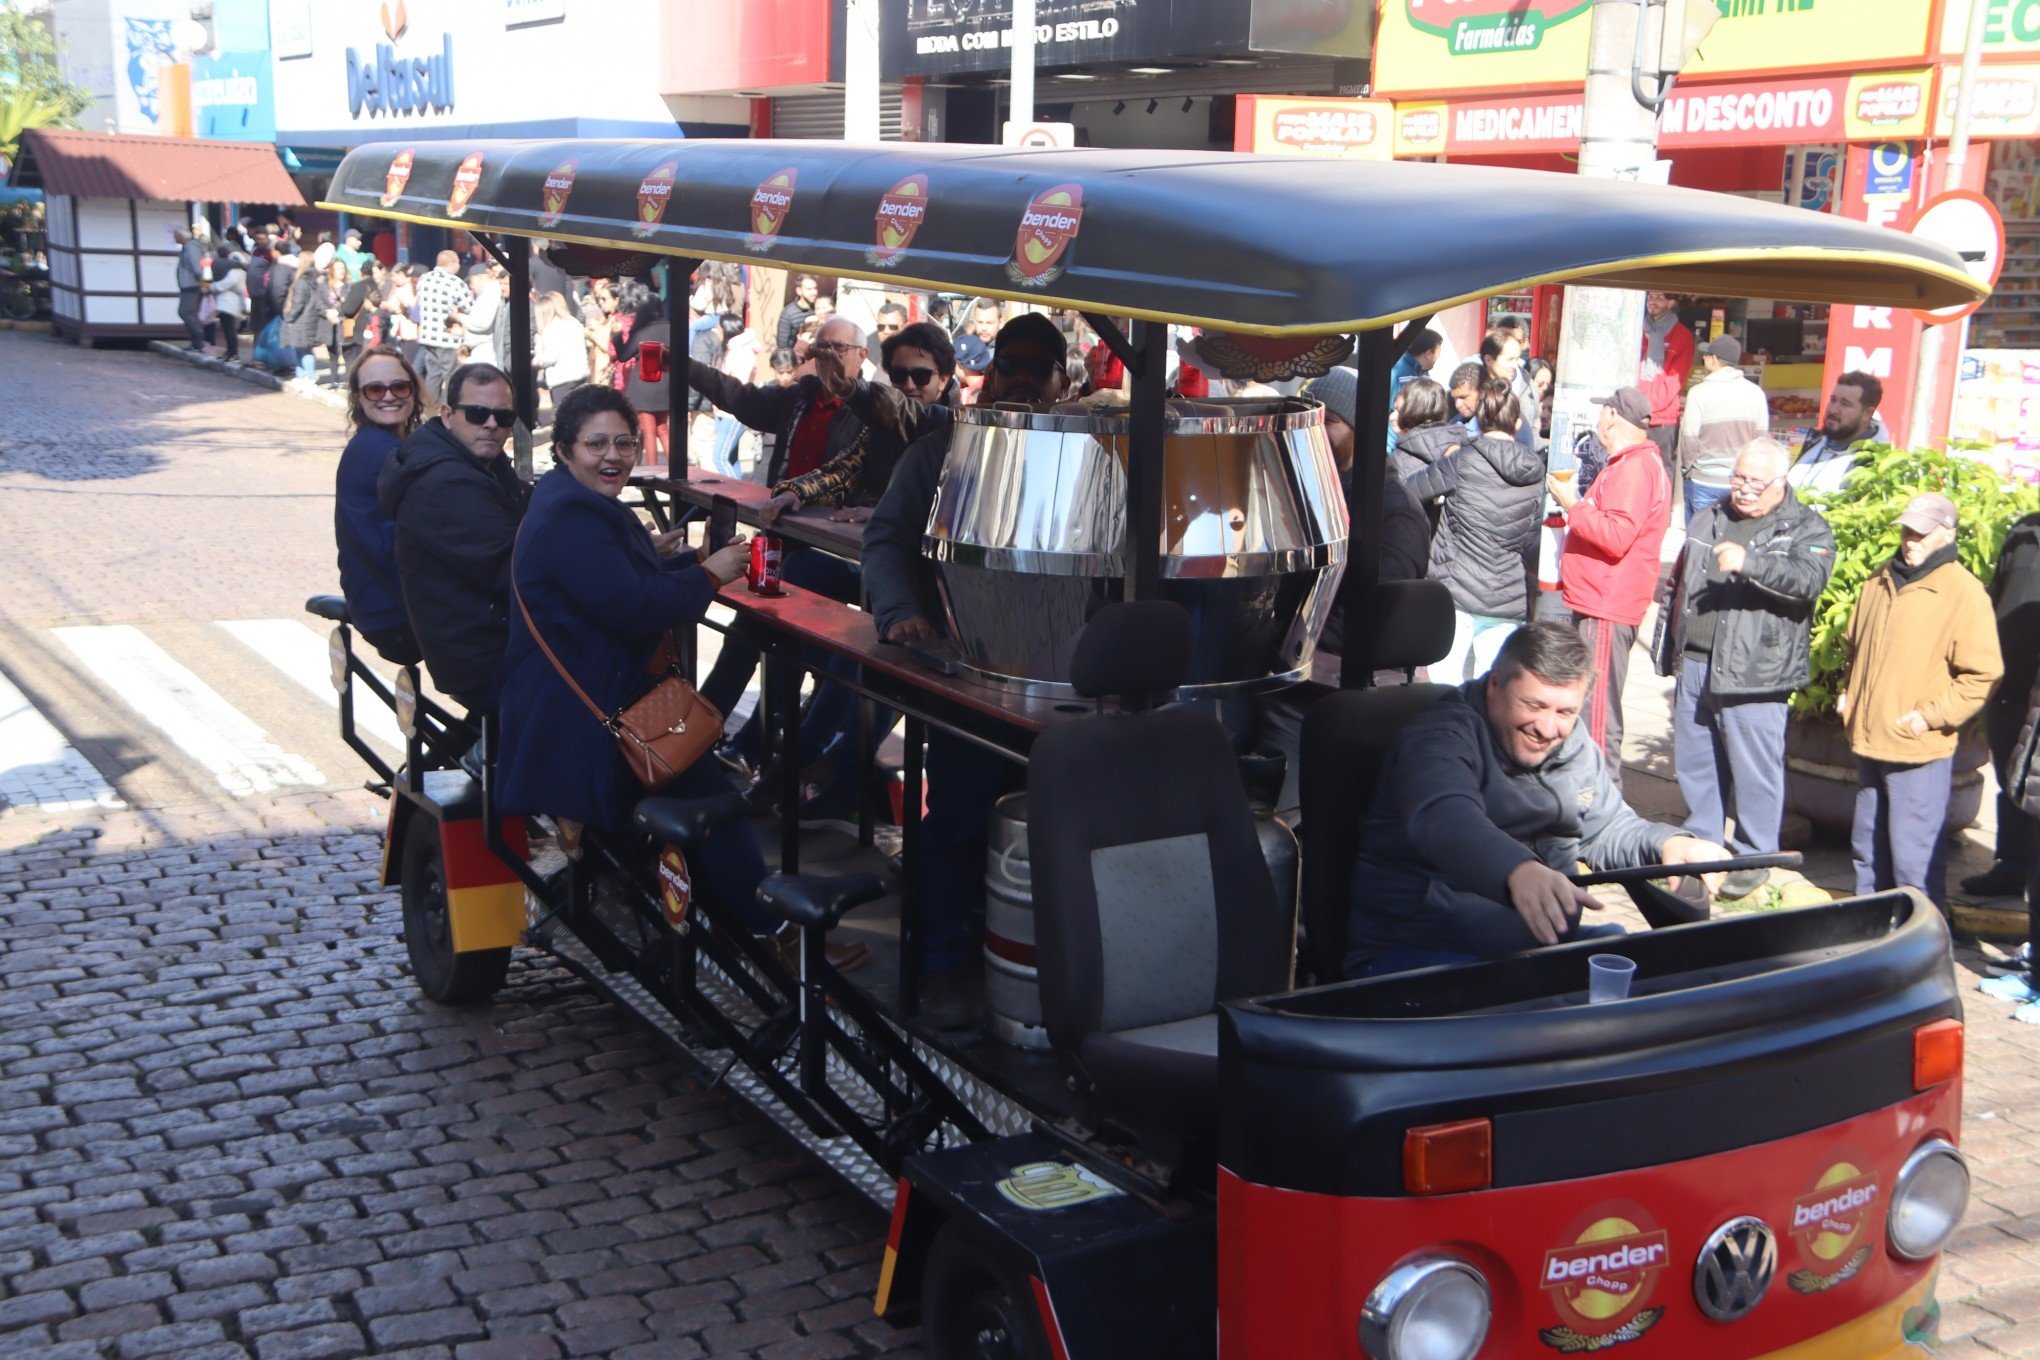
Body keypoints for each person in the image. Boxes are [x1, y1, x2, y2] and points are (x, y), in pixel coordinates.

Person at [864, 313, 1070, 1028]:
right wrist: (898, 613)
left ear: (1060, 381)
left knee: (1045, 830)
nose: (1017, 376)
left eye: (1035, 366)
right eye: (1007, 362)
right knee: (956, 819)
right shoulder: (939, 450)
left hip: (1061, 686)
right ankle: (940, 965)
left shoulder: (1087, 454)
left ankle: (1025, 964)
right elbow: (885, 539)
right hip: (965, 674)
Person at [1345, 622, 1727, 978]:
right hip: (1419, 956)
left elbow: (1606, 827)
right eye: (1533, 705)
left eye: (1565, 711)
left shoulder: (1573, 743)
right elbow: (1446, 818)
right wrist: (1518, 871)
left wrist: (1668, 843)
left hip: (1537, 952)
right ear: (1494, 683)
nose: (1547, 729)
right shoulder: (1439, 737)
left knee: (1667, 977)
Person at [1653, 437, 1834, 900]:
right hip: (1696, 662)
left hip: (1757, 672)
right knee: (1697, 764)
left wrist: (1751, 564)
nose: (1744, 489)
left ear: (1781, 481)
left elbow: (1807, 581)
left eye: (1756, 481)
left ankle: (1755, 856)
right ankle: (1702, 845)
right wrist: (1667, 649)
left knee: (1756, 773)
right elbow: (1679, 585)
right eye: (1738, 477)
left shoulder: (1806, 528)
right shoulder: (1708, 516)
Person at [1840, 492, 2003, 905]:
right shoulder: (1881, 578)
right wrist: (1848, 695)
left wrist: (1928, 718)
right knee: (1867, 850)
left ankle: (1920, 942)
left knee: (1914, 860)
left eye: (1922, 533)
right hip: (1870, 738)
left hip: (1917, 747)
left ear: (1946, 535)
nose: (1911, 540)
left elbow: (1984, 673)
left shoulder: (1963, 592)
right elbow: (1854, 645)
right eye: (1908, 530)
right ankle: (1868, 927)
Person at [377, 363, 529, 714]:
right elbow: (514, 567)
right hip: (482, 655)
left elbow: (534, 511)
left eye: (503, 417)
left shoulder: (482, 463)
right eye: (477, 414)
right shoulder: (445, 481)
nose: (491, 424)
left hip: (485, 640)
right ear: (447, 415)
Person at [1547, 386, 1673, 791]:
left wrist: (1573, 503)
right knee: (1590, 707)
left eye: (1603, 411)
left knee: (1597, 715)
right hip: (1601, 598)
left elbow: (1616, 535)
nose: (1598, 419)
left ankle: (1602, 811)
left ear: (1614, 418)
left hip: (1607, 603)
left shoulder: (1635, 468)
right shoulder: (1630, 464)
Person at [1404, 379, 1545, 682]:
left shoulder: (1463, 460)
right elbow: (1532, 534)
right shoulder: (1535, 471)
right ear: (1517, 423)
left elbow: (1409, 490)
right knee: (1494, 693)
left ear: (1480, 420)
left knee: (1443, 687)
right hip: (1507, 594)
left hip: (1454, 589)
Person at [1966, 507, 2040, 898]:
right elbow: (1997, 594)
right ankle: (2011, 868)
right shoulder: (2024, 529)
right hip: (2006, 680)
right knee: (2008, 780)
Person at [336, 347, 426, 665]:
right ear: (359, 398)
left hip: (377, 603)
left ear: (413, 391)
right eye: (375, 389)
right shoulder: (383, 452)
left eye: (399, 386)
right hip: (393, 612)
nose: (389, 396)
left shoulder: (375, 443)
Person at [1677, 335, 1768, 523]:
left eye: (1707, 355)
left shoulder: (1698, 393)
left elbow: (1689, 439)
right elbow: (1761, 441)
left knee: (1699, 541)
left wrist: (1689, 468)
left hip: (1704, 480)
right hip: (1740, 484)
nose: (1704, 358)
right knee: (1732, 540)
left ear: (1715, 359)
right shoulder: (1755, 394)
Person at [1788, 372, 1887, 497]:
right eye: (1833, 400)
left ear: (1867, 413)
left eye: (1845, 404)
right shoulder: (1815, 439)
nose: (1834, 409)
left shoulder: (1870, 464)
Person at [1390, 376, 1462, 536]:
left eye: (1398, 410)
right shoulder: (1463, 449)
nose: (1391, 417)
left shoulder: (1399, 461)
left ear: (1414, 411)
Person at [1639, 290, 1695, 485]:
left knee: (1660, 471)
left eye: (1659, 298)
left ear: (1671, 303)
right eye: (1651, 297)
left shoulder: (1682, 336)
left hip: (1661, 419)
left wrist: (1645, 405)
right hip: (1633, 414)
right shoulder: (1636, 328)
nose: (1652, 302)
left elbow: (1674, 380)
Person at [414, 250, 472, 408]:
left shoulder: (424, 279)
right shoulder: (455, 283)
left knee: (433, 375)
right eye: (458, 263)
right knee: (451, 377)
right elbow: (469, 308)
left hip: (428, 336)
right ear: (452, 263)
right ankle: (447, 412)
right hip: (448, 338)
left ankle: (430, 411)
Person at [535, 290, 591, 412]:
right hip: (580, 375)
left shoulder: (551, 328)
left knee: (565, 419)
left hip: (562, 380)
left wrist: (538, 352)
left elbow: (550, 357)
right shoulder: (574, 322)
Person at [210, 251, 249, 364]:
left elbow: (227, 284)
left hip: (229, 303)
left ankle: (233, 353)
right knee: (227, 329)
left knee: (230, 329)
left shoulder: (236, 271)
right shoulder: (234, 270)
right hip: (226, 303)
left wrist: (212, 287)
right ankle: (229, 352)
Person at [462, 264, 503, 368]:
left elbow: (483, 323)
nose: (470, 286)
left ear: (480, 277)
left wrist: (459, 317)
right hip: (481, 350)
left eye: (470, 281)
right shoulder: (485, 293)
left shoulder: (491, 293)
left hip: (485, 351)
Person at [174, 228, 207, 352]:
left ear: (183, 237)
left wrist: (202, 283)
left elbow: (196, 268)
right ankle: (196, 342)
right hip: (189, 284)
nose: (175, 238)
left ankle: (198, 339)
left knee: (185, 312)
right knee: (189, 312)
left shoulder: (191, 248)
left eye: (176, 235)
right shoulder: (188, 247)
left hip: (191, 285)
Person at [1390, 326, 1443, 395]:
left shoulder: (1422, 375)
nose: (1439, 356)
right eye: (1438, 353)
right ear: (1428, 353)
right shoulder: (1398, 372)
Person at [776, 273, 820, 351]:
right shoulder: (788, 313)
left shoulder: (818, 308)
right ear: (799, 291)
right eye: (809, 289)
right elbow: (782, 345)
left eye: (815, 288)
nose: (814, 292)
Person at [1445, 360, 1483, 437]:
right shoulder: (1453, 424)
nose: (1458, 405)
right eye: (1455, 399)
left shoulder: (1502, 421)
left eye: (1463, 397)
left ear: (1481, 391)